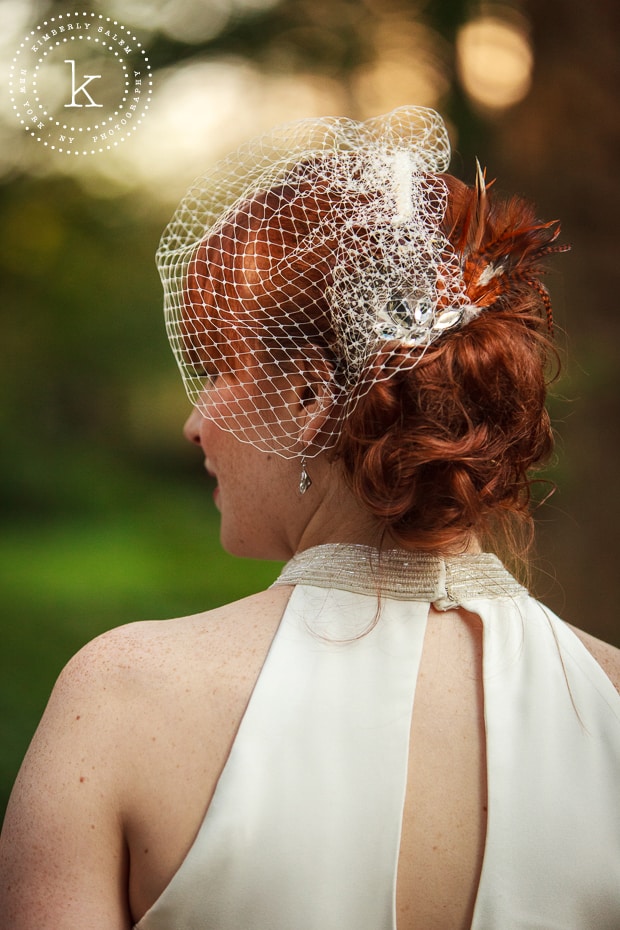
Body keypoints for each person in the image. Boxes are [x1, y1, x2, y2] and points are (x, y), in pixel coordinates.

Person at [1, 107, 619, 930]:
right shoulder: (611, 700)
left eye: (218, 368)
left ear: (306, 398)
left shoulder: (118, 699)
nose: (195, 422)